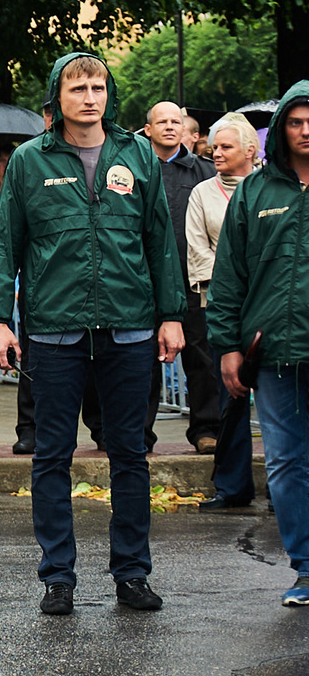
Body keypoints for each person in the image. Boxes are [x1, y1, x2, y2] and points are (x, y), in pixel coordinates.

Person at [0, 51, 184, 617]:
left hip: (128, 329)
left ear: (108, 94)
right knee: (51, 457)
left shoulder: (138, 153)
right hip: (54, 332)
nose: (90, 97)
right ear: (58, 98)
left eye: (98, 86)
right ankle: (58, 577)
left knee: (130, 455)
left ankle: (132, 574)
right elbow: (6, 244)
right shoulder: (28, 161)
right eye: (78, 89)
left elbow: (159, 240)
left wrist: (170, 314)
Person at [206, 81, 309, 607]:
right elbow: (229, 277)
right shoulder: (255, 191)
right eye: (296, 121)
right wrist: (227, 345)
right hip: (273, 353)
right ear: (283, 129)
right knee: (287, 463)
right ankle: (307, 568)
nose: (306, 130)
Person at [186, 113, 260, 511]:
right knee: (230, 396)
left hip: (268, 306)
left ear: (251, 151)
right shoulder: (202, 194)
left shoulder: (270, 189)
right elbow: (198, 252)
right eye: (213, 146)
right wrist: (233, 285)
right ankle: (232, 487)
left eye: (226, 147)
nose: (216, 153)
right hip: (225, 306)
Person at [146, 104, 217, 454]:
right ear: (148, 129)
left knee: (201, 358)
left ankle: (207, 429)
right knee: (142, 361)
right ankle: (138, 434)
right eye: (162, 122)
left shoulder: (204, 172)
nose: (170, 127)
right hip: (143, 282)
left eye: (176, 122)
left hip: (193, 282)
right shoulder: (134, 170)